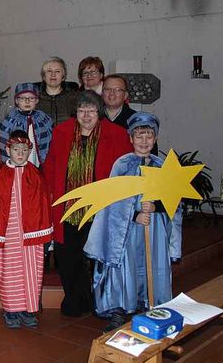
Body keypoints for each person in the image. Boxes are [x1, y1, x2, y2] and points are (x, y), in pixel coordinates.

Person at [84, 113, 182, 331]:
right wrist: (134, 214)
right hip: (126, 231)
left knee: (152, 264)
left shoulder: (162, 166)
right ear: (131, 139)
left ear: (155, 139)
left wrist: (156, 207)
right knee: (125, 266)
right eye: (139, 136)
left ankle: (152, 304)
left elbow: (175, 202)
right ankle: (120, 308)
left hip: (154, 228)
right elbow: (113, 201)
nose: (144, 141)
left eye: (148, 136)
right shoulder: (122, 164)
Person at [42, 91, 132, 317]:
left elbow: (125, 170)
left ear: (99, 111)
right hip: (68, 206)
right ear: (75, 112)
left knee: (98, 257)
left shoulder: (117, 134)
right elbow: (51, 165)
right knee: (67, 255)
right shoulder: (62, 132)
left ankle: (101, 301)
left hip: (101, 208)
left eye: (91, 110)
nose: (86, 114)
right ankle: (75, 299)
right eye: (81, 109)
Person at [0, 130, 53, 329]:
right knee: (8, 272)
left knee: (31, 271)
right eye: (16, 149)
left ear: (29, 151)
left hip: (30, 235)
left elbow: (43, 206)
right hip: (6, 235)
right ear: (8, 150)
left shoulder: (35, 175)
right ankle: (11, 309)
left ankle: (28, 309)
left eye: (24, 150)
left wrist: (44, 238)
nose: (20, 153)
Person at [0, 83, 53, 167]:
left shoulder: (43, 118)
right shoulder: (11, 119)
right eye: (23, 98)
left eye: (31, 98)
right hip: (17, 160)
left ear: (36, 100)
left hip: (38, 160)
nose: (27, 101)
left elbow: (51, 138)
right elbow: (3, 140)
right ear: (16, 101)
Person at [36, 57, 79, 127]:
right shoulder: (34, 99)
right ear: (43, 76)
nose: (53, 74)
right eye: (49, 71)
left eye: (57, 71)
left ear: (63, 77)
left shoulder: (75, 98)